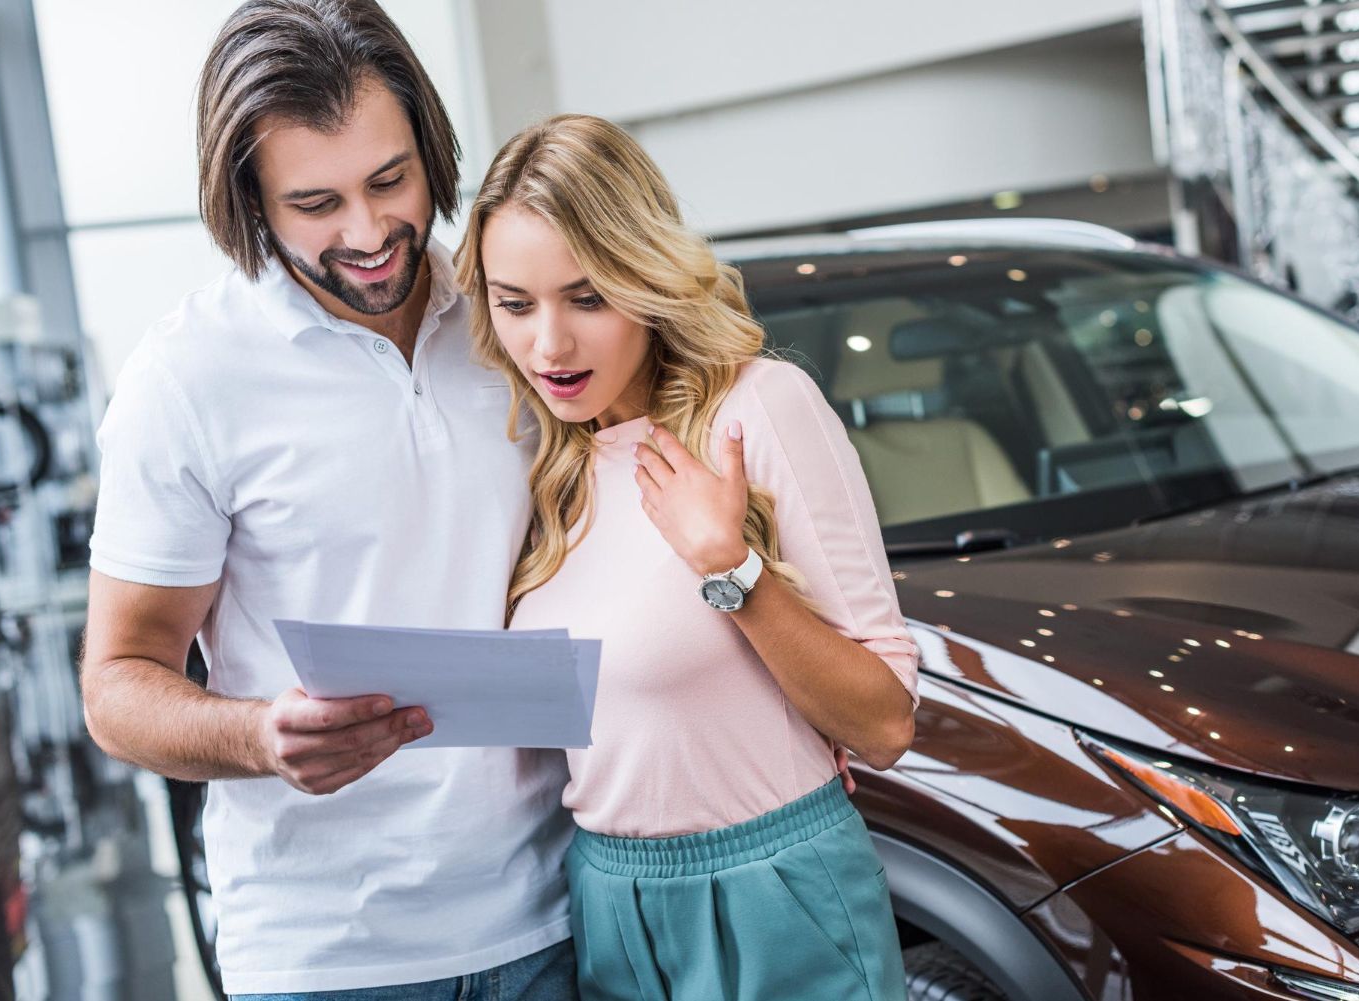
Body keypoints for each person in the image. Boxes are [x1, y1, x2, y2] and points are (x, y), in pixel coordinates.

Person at [78, 2, 576, 997]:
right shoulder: (188, 377)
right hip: (329, 956)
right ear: (252, 202)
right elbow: (117, 683)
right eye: (315, 203)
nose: (368, 233)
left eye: (392, 180)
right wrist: (257, 734)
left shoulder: (515, 318)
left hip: (560, 913)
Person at [458, 114, 919, 1001]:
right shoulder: (547, 464)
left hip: (775, 890)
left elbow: (886, 724)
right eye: (515, 303)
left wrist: (733, 570)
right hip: (605, 896)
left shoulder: (760, 410)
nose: (547, 345)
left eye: (586, 297)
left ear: (646, 276)